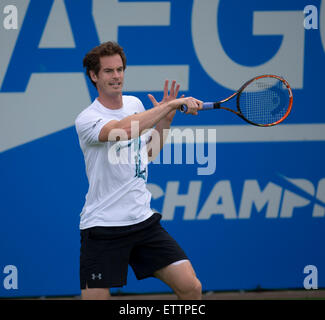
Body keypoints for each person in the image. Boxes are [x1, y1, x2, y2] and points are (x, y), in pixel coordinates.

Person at [75, 41, 202, 300]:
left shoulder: (134, 104)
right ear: (94, 75)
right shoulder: (87, 118)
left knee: (191, 287)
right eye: (109, 71)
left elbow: (146, 153)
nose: (117, 76)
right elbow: (123, 132)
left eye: (120, 69)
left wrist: (165, 119)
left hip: (143, 221)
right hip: (102, 227)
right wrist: (166, 106)